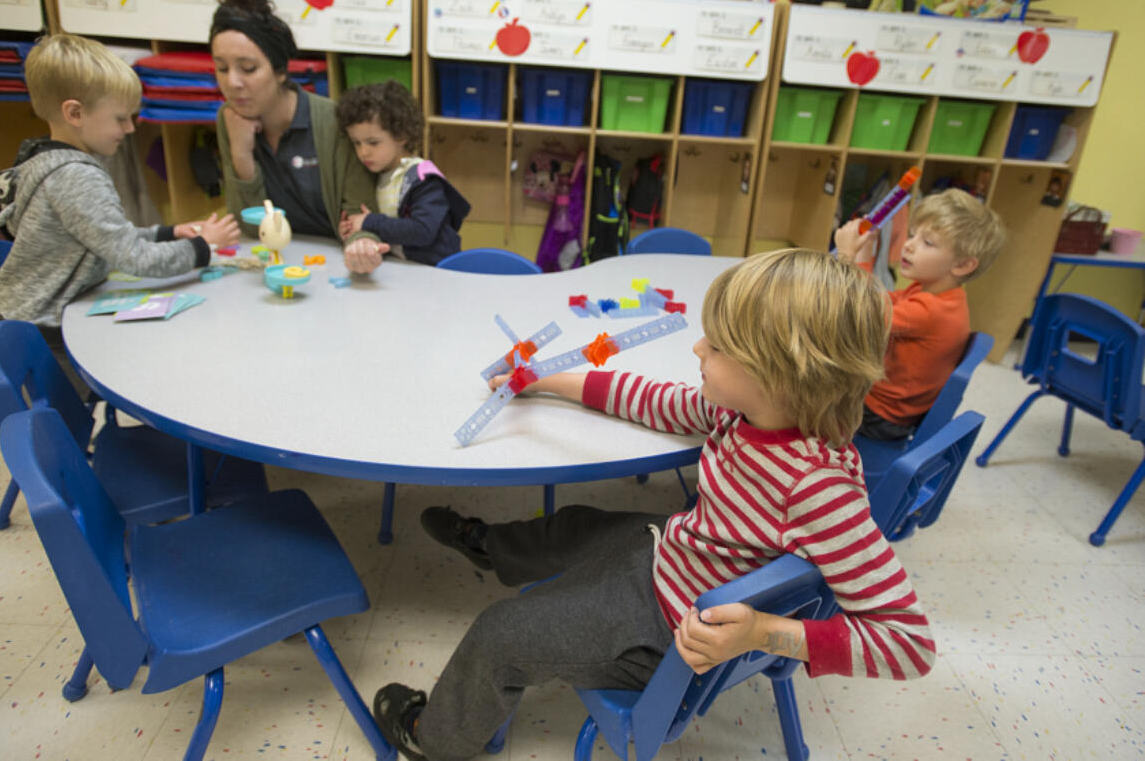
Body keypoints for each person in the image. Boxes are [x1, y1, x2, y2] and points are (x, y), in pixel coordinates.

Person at [372, 248, 935, 761]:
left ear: (781, 373)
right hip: (681, 556)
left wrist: (762, 632)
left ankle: (433, 736)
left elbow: (909, 643)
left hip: (665, 630)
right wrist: (545, 379)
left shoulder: (816, 491)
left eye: (716, 346)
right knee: (573, 525)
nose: (697, 347)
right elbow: (660, 402)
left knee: (499, 635)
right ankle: (492, 548)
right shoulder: (752, 412)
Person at [0, 33, 239, 396]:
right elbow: (134, 259)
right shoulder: (77, 176)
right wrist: (203, 247)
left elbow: (104, 235)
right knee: (67, 421)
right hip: (42, 329)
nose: (131, 129)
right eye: (121, 118)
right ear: (74, 113)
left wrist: (169, 232)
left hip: (23, 315)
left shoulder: (46, 159)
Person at [209, 0, 387, 274]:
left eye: (249, 68)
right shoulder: (230, 119)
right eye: (221, 69)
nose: (233, 83)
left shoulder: (334, 122)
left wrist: (362, 247)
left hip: (334, 264)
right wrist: (241, 156)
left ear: (280, 70)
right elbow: (248, 228)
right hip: (276, 264)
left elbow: (361, 218)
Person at [835, 188, 1006, 441]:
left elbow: (861, 311)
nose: (909, 246)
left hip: (879, 416)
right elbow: (874, 302)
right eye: (913, 235)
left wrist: (847, 256)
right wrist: (865, 255)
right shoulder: (939, 295)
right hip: (889, 407)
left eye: (927, 243)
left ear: (962, 265)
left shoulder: (931, 311)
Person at [336, 81, 470, 265]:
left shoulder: (422, 178)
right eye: (356, 143)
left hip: (436, 272)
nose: (363, 152)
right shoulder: (374, 174)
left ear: (401, 135)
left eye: (373, 142)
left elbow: (422, 231)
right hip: (402, 269)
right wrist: (354, 229)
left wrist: (369, 222)